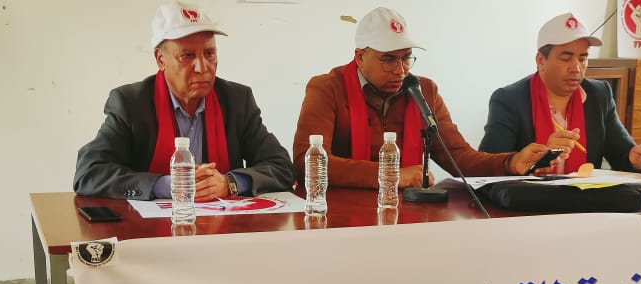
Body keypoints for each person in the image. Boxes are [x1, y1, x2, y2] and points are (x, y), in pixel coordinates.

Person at [292, 7, 550, 189]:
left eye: (406, 58)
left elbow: (458, 156)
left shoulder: (423, 90)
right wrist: (389, 175)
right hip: (339, 213)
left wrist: (511, 162)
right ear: (360, 57)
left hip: (408, 213)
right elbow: (308, 161)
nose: (400, 70)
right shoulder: (327, 88)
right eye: (388, 59)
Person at [74, 2, 294, 200]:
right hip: (150, 228)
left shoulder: (237, 100)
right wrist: (166, 185)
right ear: (160, 59)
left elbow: (282, 167)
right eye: (187, 56)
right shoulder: (131, 104)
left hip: (223, 225)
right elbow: (89, 173)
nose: (202, 67)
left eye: (209, 53)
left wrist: (229, 183)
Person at [480, 12, 641, 177]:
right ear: (541, 60)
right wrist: (539, 157)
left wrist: (636, 158)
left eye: (583, 58)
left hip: (586, 199)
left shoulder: (599, 95)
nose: (576, 68)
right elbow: (488, 167)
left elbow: (621, 154)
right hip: (528, 200)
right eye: (566, 58)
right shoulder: (509, 100)